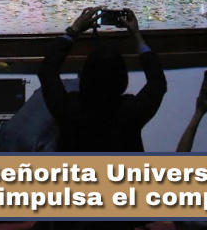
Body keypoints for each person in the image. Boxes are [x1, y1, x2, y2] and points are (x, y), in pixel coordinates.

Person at [38, 8, 166, 152]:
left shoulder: (69, 109)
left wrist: (74, 31)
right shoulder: (132, 111)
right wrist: (136, 35)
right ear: (122, 77)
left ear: (84, 74)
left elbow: (48, 70)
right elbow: (157, 82)